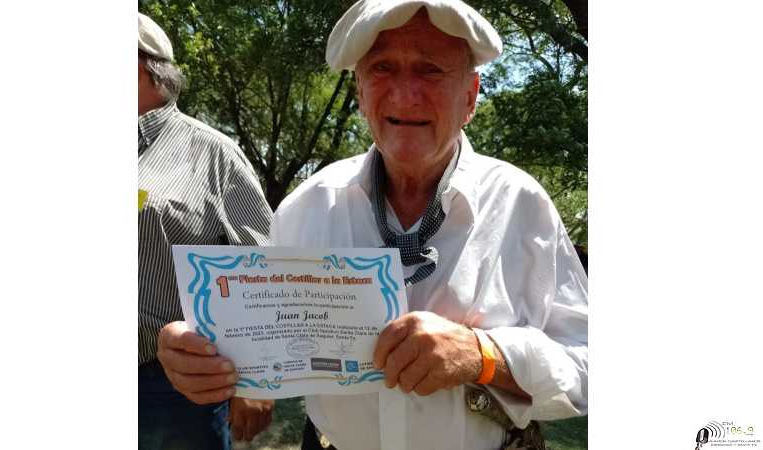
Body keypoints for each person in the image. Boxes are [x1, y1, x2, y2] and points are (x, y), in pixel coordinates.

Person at [158, 1, 588, 449]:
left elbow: (587, 369)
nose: (405, 95)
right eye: (383, 68)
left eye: (431, 70)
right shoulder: (307, 207)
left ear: (470, 96)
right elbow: (257, 331)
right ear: (360, 92)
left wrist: (483, 356)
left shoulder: (520, 203)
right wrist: (198, 353)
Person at [138, 13, 274, 449]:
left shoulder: (213, 154)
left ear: (141, 66)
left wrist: (255, 382)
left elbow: (262, 268)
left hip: (171, 392)